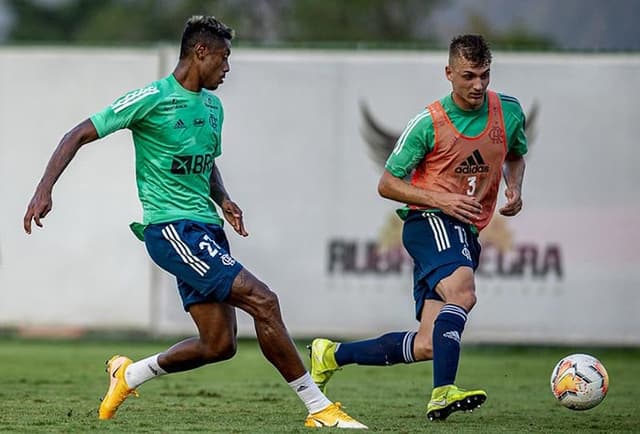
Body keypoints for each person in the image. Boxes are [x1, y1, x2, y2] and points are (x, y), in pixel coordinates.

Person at [23, 15, 367, 430]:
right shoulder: (151, 98)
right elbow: (78, 133)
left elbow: (206, 161)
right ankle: (319, 408)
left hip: (206, 229)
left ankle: (128, 375)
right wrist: (45, 189)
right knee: (264, 300)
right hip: (171, 230)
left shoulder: (211, 106)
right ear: (199, 52)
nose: (227, 69)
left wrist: (223, 199)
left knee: (219, 344)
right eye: (223, 59)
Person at [309, 34, 527, 422]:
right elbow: (387, 184)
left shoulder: (508, 111)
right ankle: (442, 392)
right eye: (469, 76)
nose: (478, 85)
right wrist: (442, 199)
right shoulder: (428, 123)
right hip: (430, 222)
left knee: (427, 344)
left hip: (467, 229)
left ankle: (330, 355)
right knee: (463, 291)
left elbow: (515, 153)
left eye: (485, 76)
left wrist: (515, 187)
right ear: (449, 74)